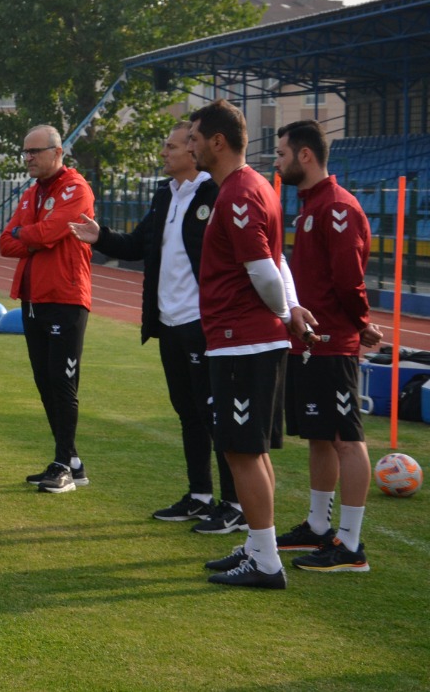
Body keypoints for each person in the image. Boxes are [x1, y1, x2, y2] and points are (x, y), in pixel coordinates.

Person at [70, 123, 238, 527]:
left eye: (171, 146)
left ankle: (235, 506)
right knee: (188, 413)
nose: (163, 152)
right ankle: (200, 495)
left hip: (204, 323)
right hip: (170, 322)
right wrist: (100, 237)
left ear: (193, 152)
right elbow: (136, 245)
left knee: (215, 416)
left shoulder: (215, 194)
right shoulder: (165, 194)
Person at [189, 100, 305, 589]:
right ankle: (261, 547)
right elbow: (276, 260)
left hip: (243, 341)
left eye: (194, 138)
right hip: (246, 340)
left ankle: (266, 563)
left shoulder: (238, 193)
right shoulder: (251, 186)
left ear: (218, 141)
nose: (190, 145)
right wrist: (290, 309)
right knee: (251, 452)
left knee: (240, 452)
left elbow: (262, 268)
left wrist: (282, 313)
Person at [274, 119, 382, 573]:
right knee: (319, 437)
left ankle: (351, 546)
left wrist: (362, 325)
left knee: (345, 439)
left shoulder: (337, 206)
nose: (277, 164)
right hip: (307, 342)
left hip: (333, 341)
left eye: (281, 155)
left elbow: (347, 279)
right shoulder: (310, 205)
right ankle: (319, 527)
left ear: (305, 155)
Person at [0, 124, 94, 494]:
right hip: (33, 298)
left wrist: (31, 234)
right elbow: (7, 242)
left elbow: (52, 232)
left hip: (65, 298)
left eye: (35, 152)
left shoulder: (76, 188)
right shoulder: (31, 195)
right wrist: (34, 235)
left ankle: (63, 465)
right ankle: (71, 462)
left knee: (61, 382)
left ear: (58, 153)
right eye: (25, 152)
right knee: (44, 382)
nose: (28, 159)